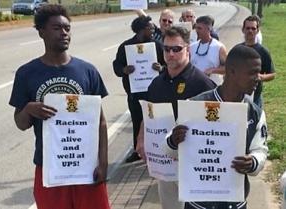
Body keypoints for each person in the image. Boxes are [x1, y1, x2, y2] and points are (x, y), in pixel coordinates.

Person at [9, 5, 110, 209]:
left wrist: (103, 162)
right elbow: (20, 123)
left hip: (85, 165)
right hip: (50, 166)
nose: (64, 33)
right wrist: (29, 109)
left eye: (67, 28)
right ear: (41, 32)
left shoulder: (87, 71)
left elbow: (100, 122)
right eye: (57, 28)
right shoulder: (27, 73)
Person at [166, 44, 268, 209]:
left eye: (259, 72)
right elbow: (170, 150)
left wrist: (253, 161)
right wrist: (173, 141)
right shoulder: (195, 106)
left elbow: (260, 149)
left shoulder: (255, 113)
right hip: (198, 203)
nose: (258, 77)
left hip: (235, 202)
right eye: (252, 73)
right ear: (232, 72)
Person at [136, 26, 216, 209]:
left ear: (187, 49)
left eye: (176, 49)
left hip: (191, 163)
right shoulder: (156, 83)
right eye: (166, 49)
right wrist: (141, 138)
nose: (171, 53)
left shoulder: (202, 83)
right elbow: (148, 113)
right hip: (163, 164)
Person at [113, 15, 165, 163]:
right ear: (142, 29)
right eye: (151, 28)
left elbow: (168, 65)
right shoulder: (126, 47)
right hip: (135, 92)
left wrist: (161, 68)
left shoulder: (157, 45)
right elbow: (116, 66)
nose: (154, 30)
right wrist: (124, 69)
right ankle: (137, 151)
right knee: (137, 121)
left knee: (156, 121)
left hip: (155, 92)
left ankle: (157, 151)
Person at [241, 15, 275, 108]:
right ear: (243, 29)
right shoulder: (237, 50)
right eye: (247, 28)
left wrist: (261, 77)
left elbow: (272, 74)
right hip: (238, 96)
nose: (250, 31)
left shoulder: (263, 51)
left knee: (255, 122)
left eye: (253, 28)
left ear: (257, 30)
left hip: (255, 97)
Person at [190, 15, 227, 85]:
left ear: (208, 29)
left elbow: (227, 68)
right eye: (196, 28)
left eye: (199, 28)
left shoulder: (219, 47)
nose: (197, 31)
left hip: (212, 87)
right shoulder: (192, 47)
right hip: (195, 86)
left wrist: (212, 70)